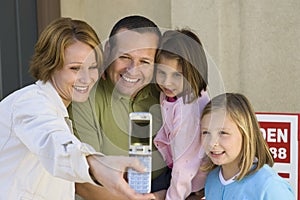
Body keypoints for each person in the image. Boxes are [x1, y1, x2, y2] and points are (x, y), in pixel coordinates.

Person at [0, 17, 155, 200]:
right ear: (50, 65)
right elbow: (56, 144)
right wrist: (95, 164)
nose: (86, 78)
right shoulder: (30, 103)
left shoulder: (60, 109)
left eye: (93, 67)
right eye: (75, 68)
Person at [69, 15, 170, 199]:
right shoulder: (85, 95)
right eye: (124, 57)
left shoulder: (166, 91)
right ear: (108, 51)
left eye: (144, 61)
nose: (132, 69)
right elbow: (83, 184)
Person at [200, 93, 295, 199]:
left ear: (246, 134)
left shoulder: (270, 187)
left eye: (223, 133)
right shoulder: (212, 180)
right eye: (206, 133)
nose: (212, 142)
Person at [153, 29, 209, 200]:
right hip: (179, 170)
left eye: (177, 75)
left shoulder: (188, 110)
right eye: (162, 73)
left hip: (193, 183)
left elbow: (184, 167)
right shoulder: (172, 94)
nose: (167, 82)